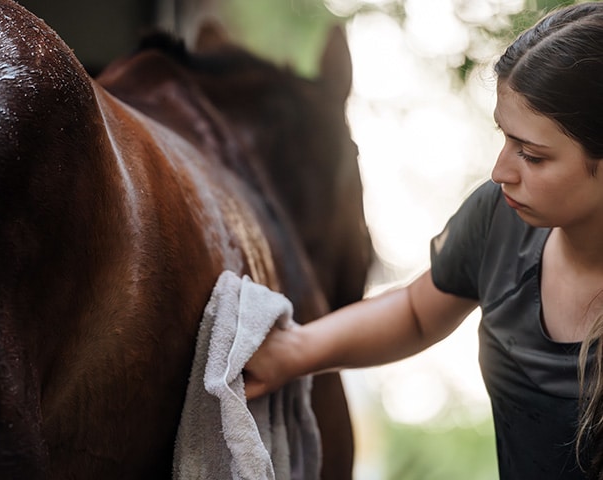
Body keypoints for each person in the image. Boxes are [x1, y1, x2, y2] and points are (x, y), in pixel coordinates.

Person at [243, 2, 603, 479]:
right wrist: (295, 351)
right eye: (505, 138)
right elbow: (417, 312)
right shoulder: (499, 219)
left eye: (532, 156)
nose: (500, 172)